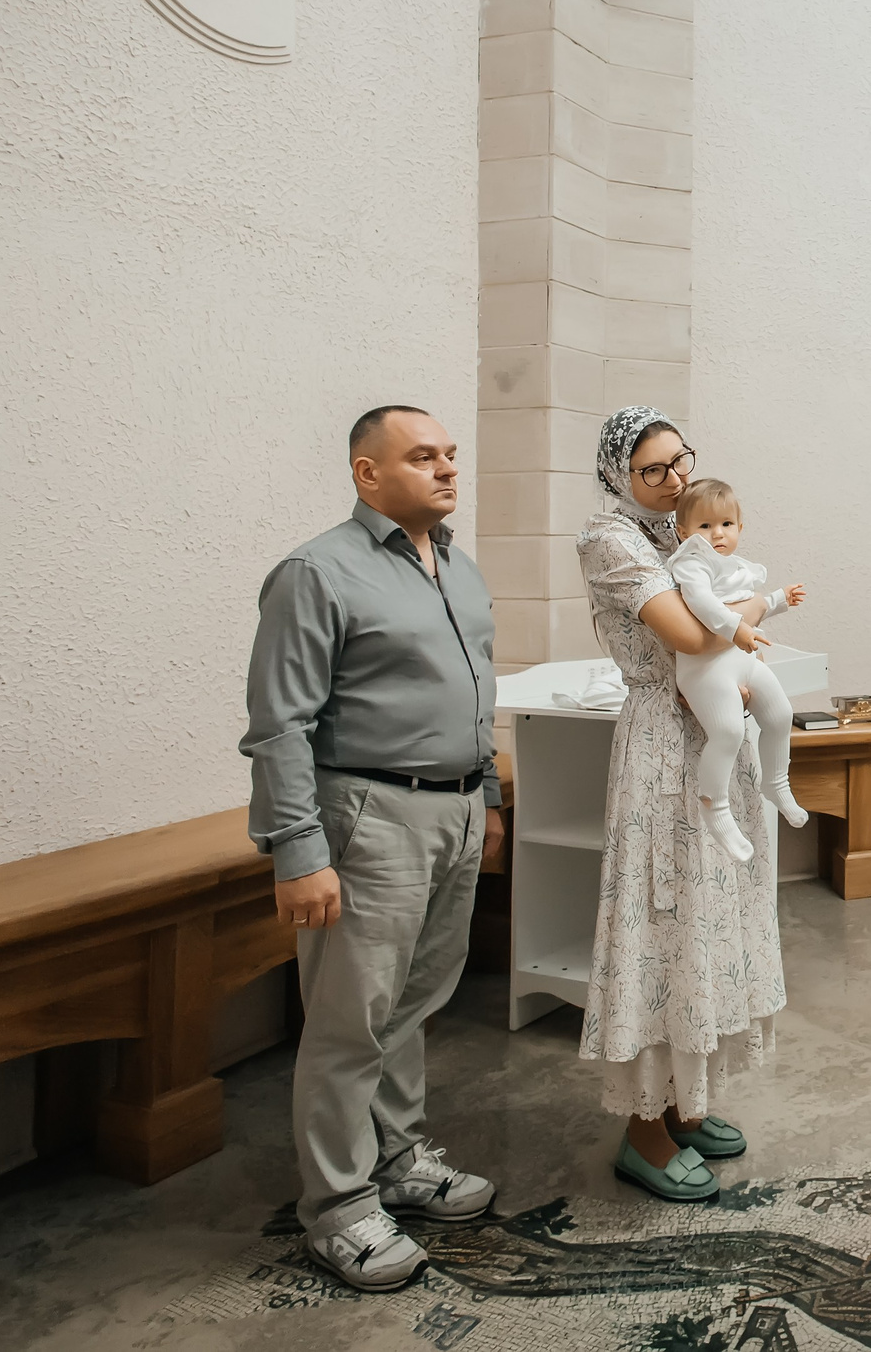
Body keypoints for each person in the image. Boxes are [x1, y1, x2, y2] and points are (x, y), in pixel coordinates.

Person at [242, 405, 507, 1292]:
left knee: (412, 1002)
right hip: (369, 816)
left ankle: (396, 1160)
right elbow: (279, 725)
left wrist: (491, 799)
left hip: (459, 810)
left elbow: (480, 692)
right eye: (421, 456)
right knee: (350, 1019)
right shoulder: (317, 572)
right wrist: (296, 851)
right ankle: (339, 1205)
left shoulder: (459, 571)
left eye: (450, 455)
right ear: (366, 473)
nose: (445, 468)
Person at [575, 409, 789, 1203]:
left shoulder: (683, 535)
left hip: (709, 741)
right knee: (665, 921)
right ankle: (643, 1131)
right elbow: (693, 638)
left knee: (709, 916)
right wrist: (755, 613)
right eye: (651, 470)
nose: (671, 481)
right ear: (617, 476)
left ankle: (684, 1106)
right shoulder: (613, 539)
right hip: (664, 749)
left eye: (679, 463)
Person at [667, 477, 810, 862]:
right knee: (728, 732)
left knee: (781, 715)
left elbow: (748, 598)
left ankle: (776, 783)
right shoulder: (691, 563)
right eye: (705, 526)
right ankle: (714, 807)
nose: (717, 534)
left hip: (741, 660)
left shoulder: (732, 565)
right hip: (706, 670)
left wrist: (780, 598)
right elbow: (704, 605)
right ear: (684, 532)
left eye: (726, 525)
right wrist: (737, 628)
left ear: (740, 528)